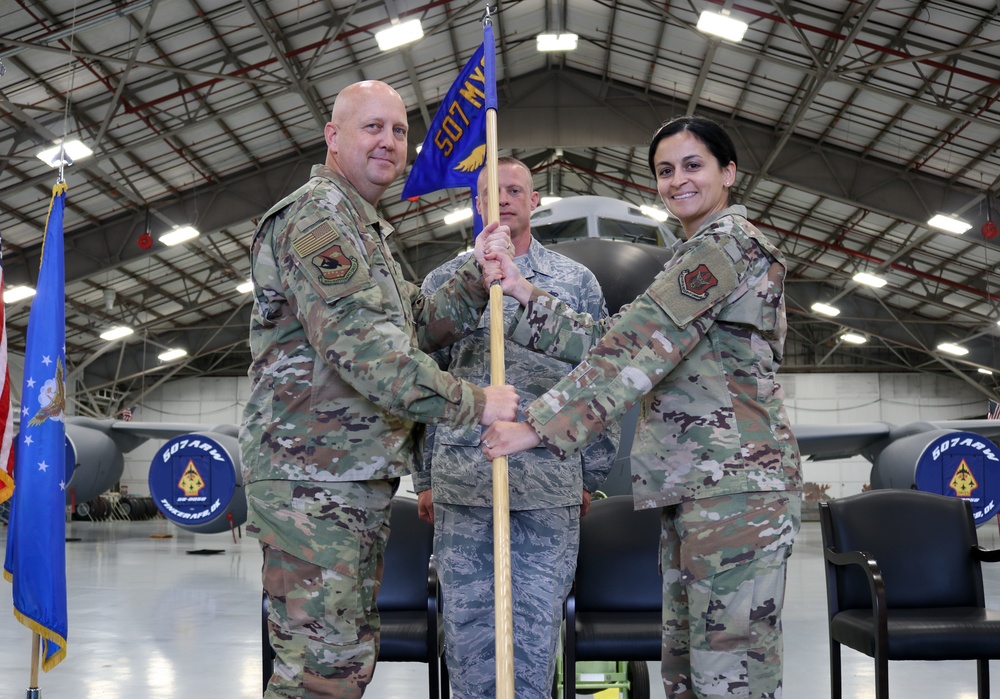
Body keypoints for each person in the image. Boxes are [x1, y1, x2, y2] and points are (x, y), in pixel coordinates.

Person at [481, 115, 802, 699]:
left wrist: (536, 426)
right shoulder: (690, 254)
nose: (677, 180)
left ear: (729, 172)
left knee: (730, 679)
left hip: (734, 492)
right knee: (687, 674)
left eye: (693, 164)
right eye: (664, 170)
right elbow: (617, 337)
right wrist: (525, 294)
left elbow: (639, 346)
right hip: (699, 489)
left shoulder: (727, 247)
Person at [239, 79, 519, 699]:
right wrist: (474, 404)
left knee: (344, 660)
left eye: (398, 130)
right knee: (319, 670)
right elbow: (368, 353)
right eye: (372, 127)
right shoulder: (317, 218)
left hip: (346, 476)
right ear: (333, 137)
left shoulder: (363, 229)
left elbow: (412, 323)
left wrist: (478, 276)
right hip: (311, 480)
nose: (389, 142)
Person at [415, 156, 618, 699]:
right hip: (464, 481)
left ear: (533, 202)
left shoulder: (575, 283)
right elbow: (424, 383)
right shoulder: (445, 282)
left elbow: (604, 376)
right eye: (490, 192)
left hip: (548, 482)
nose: (502, 199)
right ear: (474, 203)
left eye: (514, 190)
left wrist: (589, 474)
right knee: (468, 640)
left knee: (532, 640)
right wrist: (425, 477)